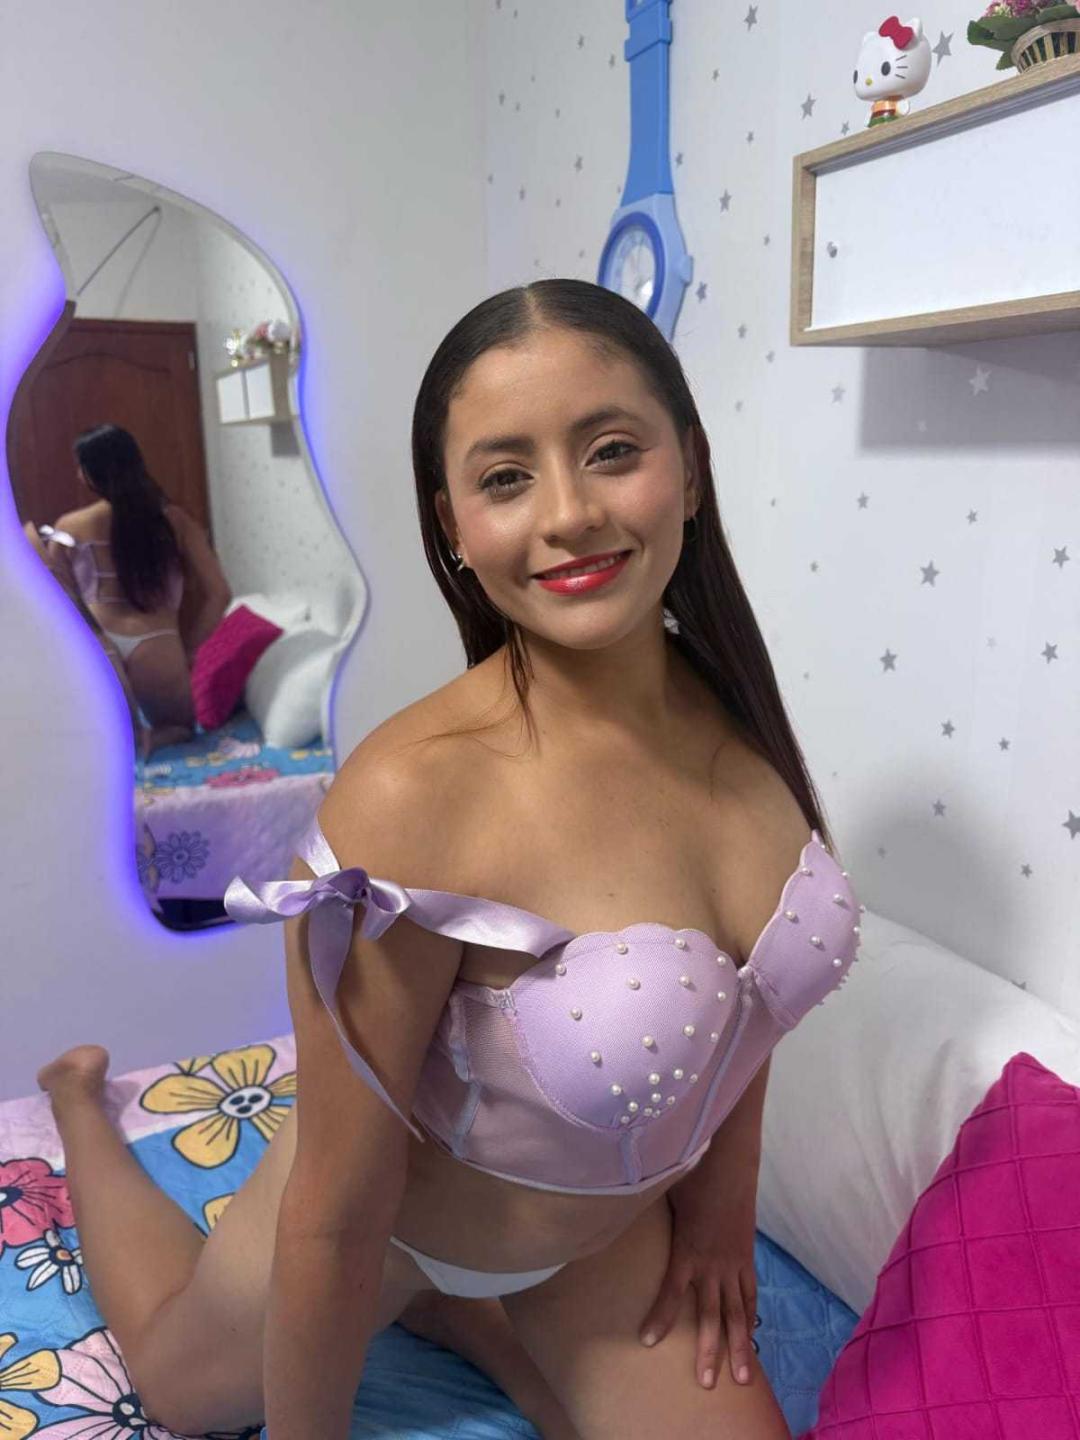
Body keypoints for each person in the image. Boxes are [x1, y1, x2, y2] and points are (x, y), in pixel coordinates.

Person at [36, 280, 861, 1440]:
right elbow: (336, 1212)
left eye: (612, 451)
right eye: (507, 477)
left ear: (690, 465)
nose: (569, 514)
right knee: (182, 1393)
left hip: (605, 1239)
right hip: (398, 1232)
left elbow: (749, 1004)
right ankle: (77, 1104)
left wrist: (723, 1212)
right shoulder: (415, 794)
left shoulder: (742, 722)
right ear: (455, 528)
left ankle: (473, 1322)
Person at [43, 423, 232, 754]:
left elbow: (56, 597)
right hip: (156, 647)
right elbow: (220, 593)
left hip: (99, 647)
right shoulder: (175, 521)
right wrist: (189, 650)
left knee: (93, 732)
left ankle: (116, 741)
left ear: (91, 472)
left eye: (80, 466)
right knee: (179, 728)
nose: (77, 474)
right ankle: (149, 740)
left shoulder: (69, 526)